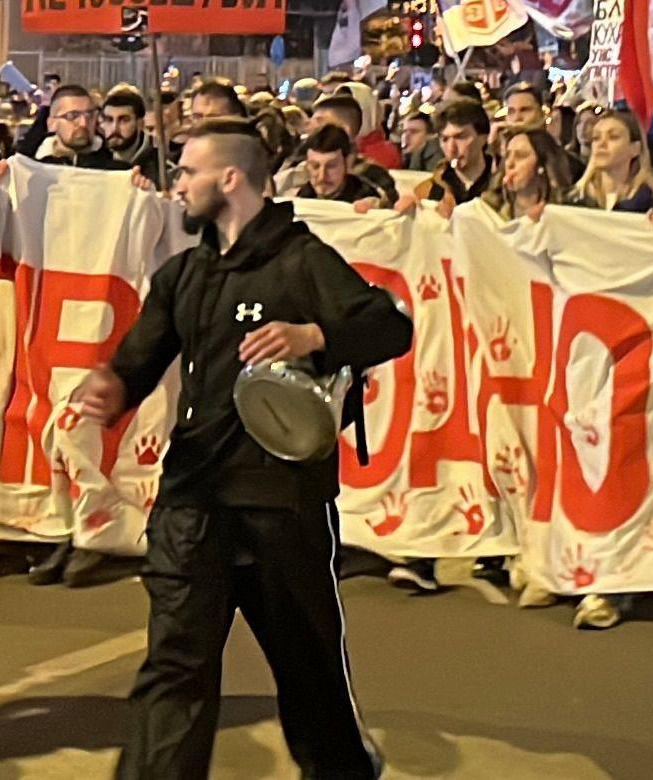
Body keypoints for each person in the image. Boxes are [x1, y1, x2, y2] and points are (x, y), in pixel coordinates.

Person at [76, 126, 412, 780]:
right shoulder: (185, 274)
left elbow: (389, 326)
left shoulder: (302, 260)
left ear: (229, 179)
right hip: (193, 501)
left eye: (188, 171)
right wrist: (111, 386)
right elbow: (137, 361)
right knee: (174, 669)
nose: (178, 184)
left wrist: (314, 334)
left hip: (282, 506)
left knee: (309, 671)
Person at [564, 110, 653, 213]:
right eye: (596, 138)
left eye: (613, 137)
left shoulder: (652, 203)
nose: (601, 144)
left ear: (635, 148)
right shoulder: (573, 201)